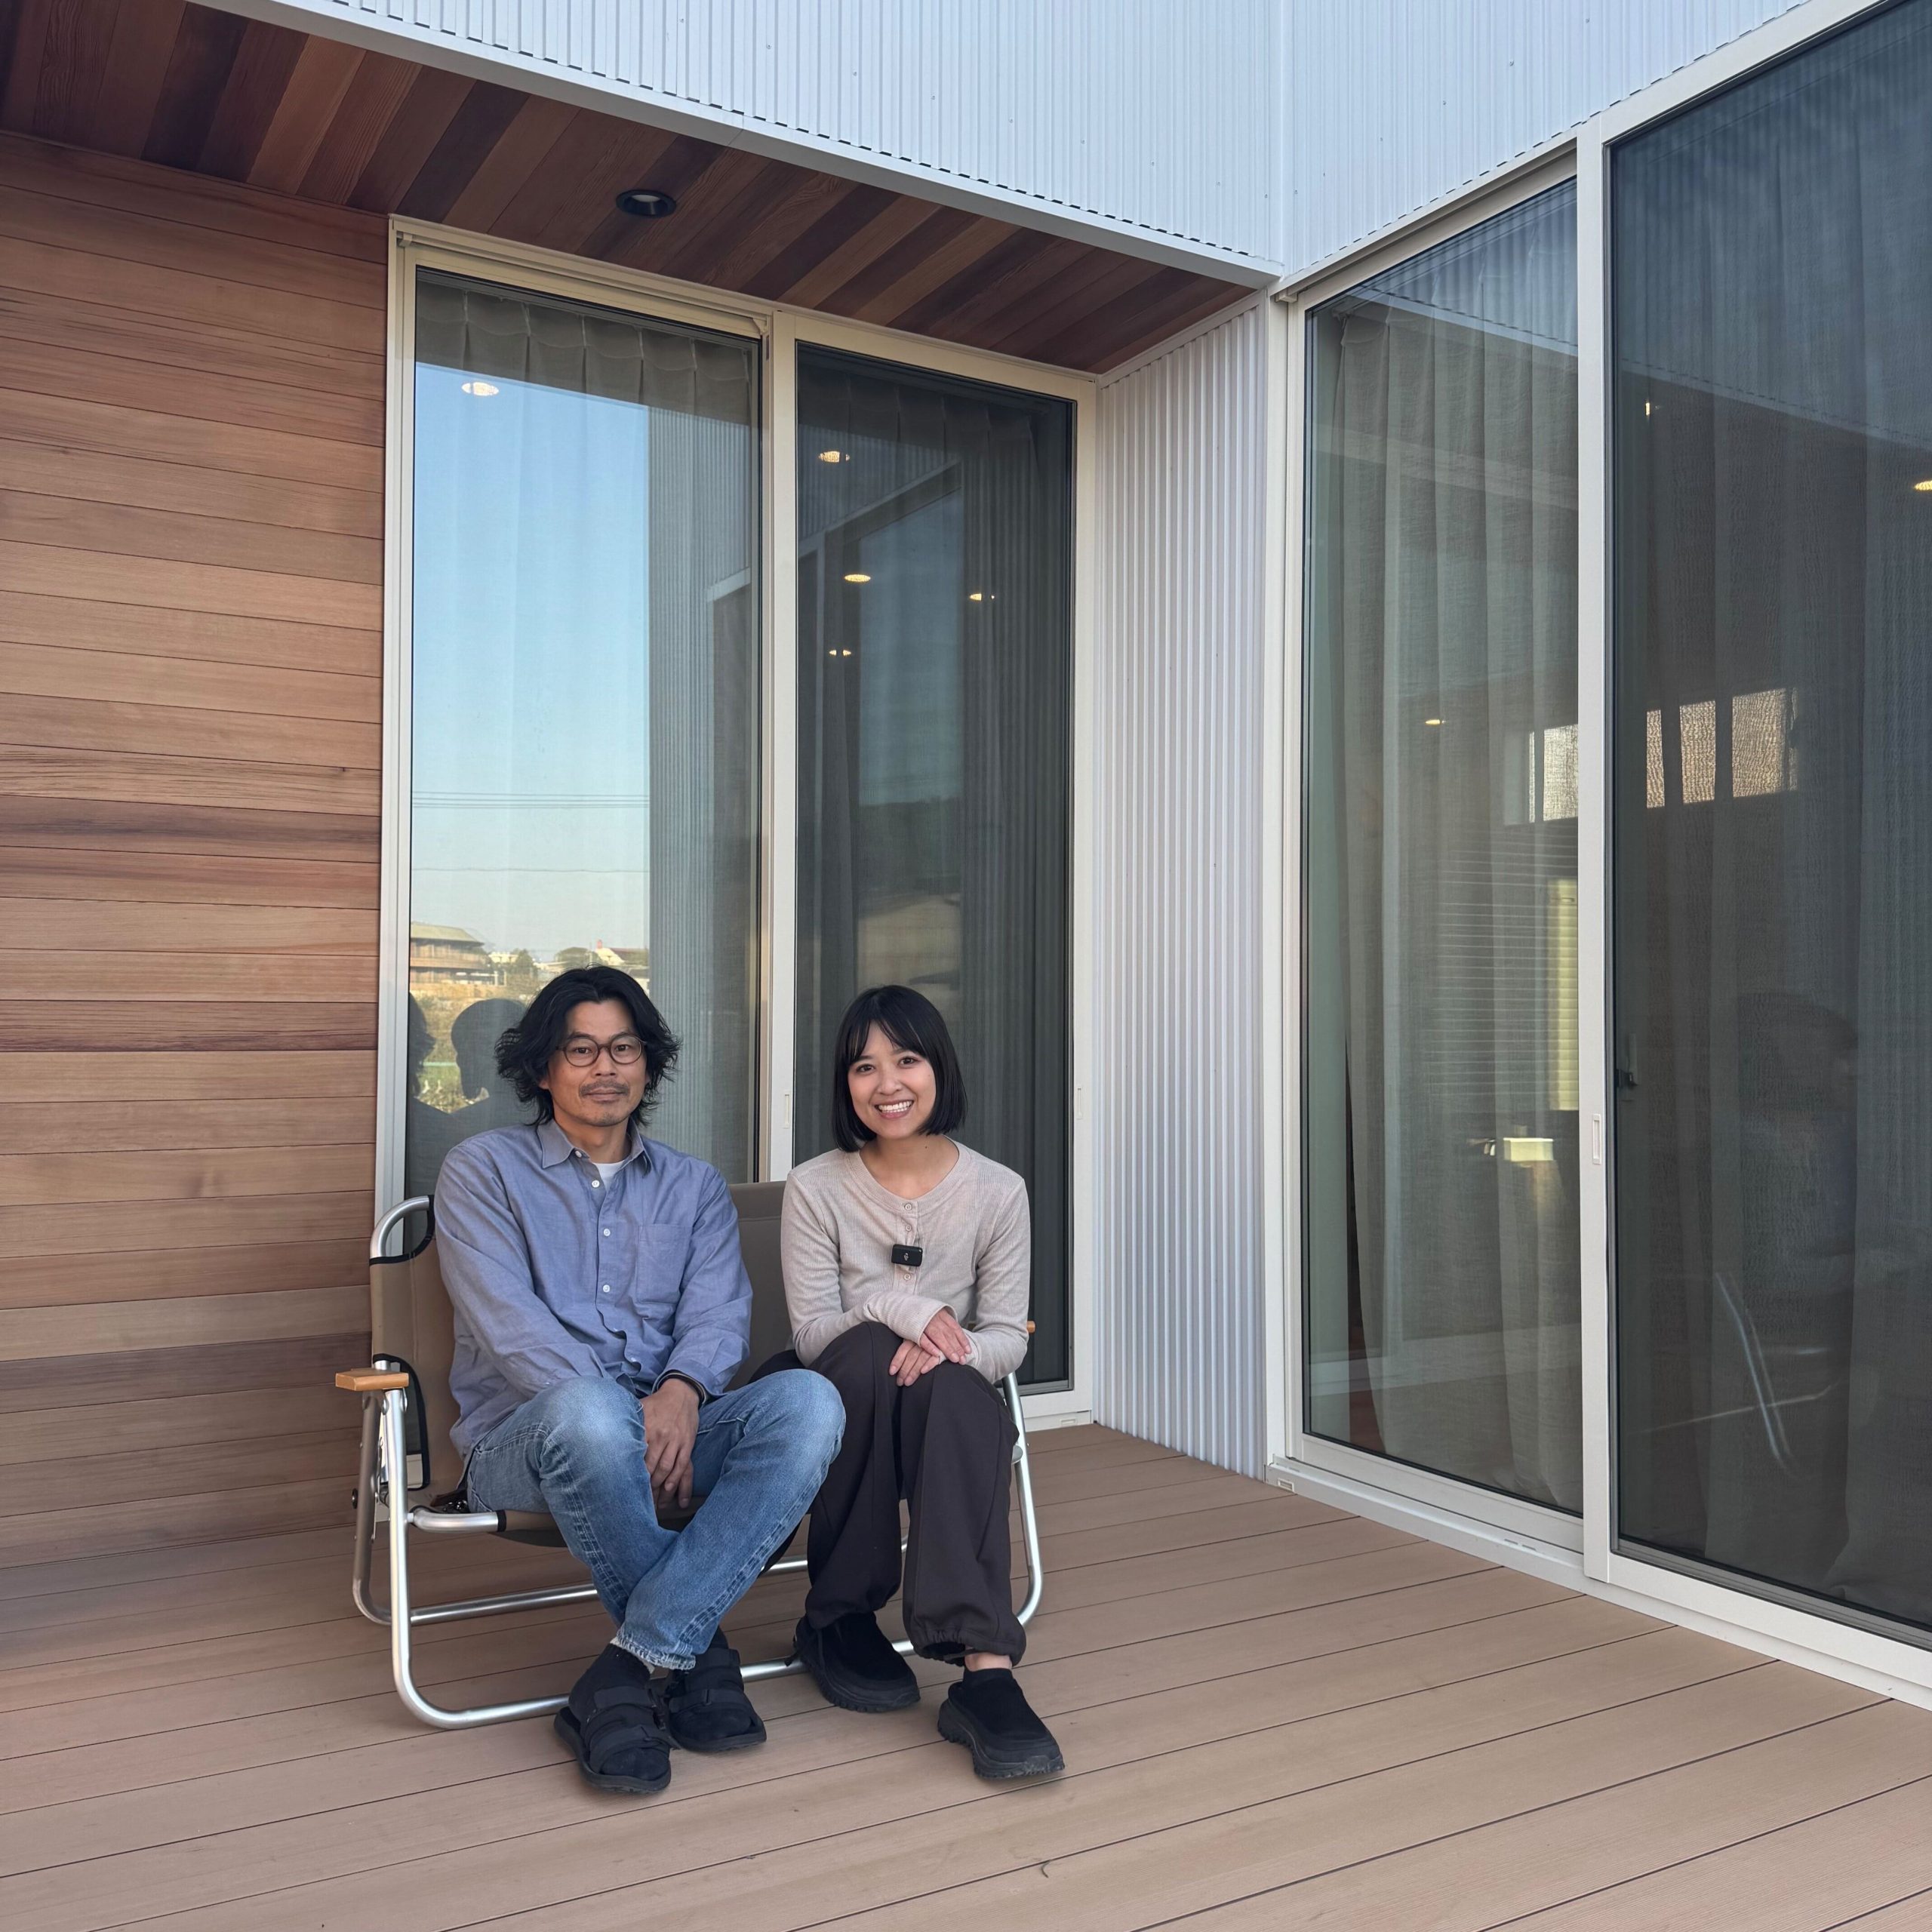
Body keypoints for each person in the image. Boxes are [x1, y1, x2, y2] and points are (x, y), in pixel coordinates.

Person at [435, 965, 844, 1798]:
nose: (605, 1068)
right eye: (580, 1050)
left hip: (672, 1430)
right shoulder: (483, 1171)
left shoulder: (693, 1186)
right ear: (542, 1068)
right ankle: (700, 1652)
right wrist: (632, 1417)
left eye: (623, 1048)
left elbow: (719, 1314)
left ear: (648, 1064)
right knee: (591, 1413)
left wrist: (684, 1391)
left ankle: (626, 1670)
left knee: (810, 1402)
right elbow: (512, 1330)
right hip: (525, 1442)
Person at [778, 984, 1064, 1780]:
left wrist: (949, 1349)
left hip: (939, 1404)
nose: (887, 1084)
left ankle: (985, 1669)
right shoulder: (816, 1187)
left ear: (938, 1066)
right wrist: (898, 1310)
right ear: (845, 1084)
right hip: (839, 1395)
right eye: (863, 1067)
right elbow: (812, 1334)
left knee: (957, 1388)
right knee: (870, 1348)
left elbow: (1005, 1335)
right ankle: (840, 1617)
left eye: (905, 1059)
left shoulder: (998, 1190)